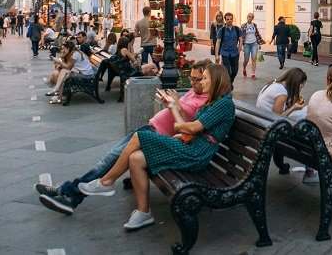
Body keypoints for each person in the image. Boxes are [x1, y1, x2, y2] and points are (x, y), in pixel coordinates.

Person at [35, 60, 213, 215]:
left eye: (198, 79)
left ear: (209, 79)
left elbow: (187, 126)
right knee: (107, 160)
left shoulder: (206, 102)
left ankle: (70, 194)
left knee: (106, 163)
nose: (194, 82)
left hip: (156, 138)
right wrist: (172, 102)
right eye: (193, 78)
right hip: (150, 129)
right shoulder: (194, 92)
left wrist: (177, 106)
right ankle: (69, 191)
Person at [76, 63, 235, 231]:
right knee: (135, 158)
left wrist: (176, 113)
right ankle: (143, 212)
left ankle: (106, 181)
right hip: (190, 146)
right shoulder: (214, 101)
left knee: (140, 136)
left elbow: (191, 127)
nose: (202, 81)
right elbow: (196, 130)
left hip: (196, 154)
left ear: (217, 80)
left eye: (205, 78)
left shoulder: (224, 104)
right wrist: (182, 131)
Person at [215, 12, 242, 83]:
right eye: (227, 19)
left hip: (234, 53)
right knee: (227, 71)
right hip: (225, 53)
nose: (229, 20)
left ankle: (230, 82)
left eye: (231, 19)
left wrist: (239, 49)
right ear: (225, 20)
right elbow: (218, 43)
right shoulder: (222, 30)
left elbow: (241, 39)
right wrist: (217, 55)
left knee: (235, 71)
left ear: (232, 20)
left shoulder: (237, 29)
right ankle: (228, 85)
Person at [241, 13, 264, 80]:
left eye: (251, 17)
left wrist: (259, 43)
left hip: (254, 43)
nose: (250, 18)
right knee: (246, 59)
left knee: (254, 58)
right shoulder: (243, 26)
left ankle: (253, 74)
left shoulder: (254, 25)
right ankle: (244, 68)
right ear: (247, 17)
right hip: (246, 44)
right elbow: (241, 36)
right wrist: (241, 44)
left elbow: (257, 34)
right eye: (249, 17)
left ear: (252, 18)